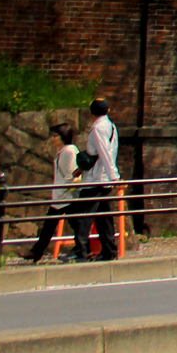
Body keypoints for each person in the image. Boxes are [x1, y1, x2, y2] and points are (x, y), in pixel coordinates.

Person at [22, 123, 81, 263]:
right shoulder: (63, 151)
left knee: (74, 225)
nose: (53, 139)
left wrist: (65, 188)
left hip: (67, 196)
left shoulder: (70, 151)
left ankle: (38, 252)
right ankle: (37, 251)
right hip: (61, 196)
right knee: (57, 225)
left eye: (55, 136)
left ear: (63, 136)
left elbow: (73, 173)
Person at [73, 99, 120, 262]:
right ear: (107, 111)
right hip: (103, 177)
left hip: (96, 178)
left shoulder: (97, 129)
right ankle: (109, 250)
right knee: (103, 216)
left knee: (83, 215)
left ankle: (82, 250)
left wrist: (114, 175)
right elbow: (109, 153)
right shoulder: (111, 126)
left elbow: (103, 152)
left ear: (92, 112)